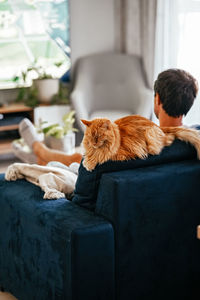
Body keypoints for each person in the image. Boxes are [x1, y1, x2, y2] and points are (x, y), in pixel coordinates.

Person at [18, 68, 199, 167]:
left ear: (157, 99)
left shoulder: (144, 143)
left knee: (79, 159)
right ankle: (41, 156)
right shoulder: (192, 141)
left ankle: (40, 151)